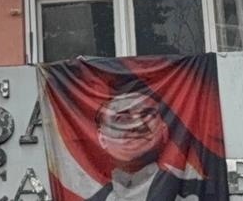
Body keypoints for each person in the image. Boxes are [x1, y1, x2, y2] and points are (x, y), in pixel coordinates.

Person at [83, 85, 219, 201]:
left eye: (146, 115)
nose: (138, 124)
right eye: (122, 118)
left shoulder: (200, 191)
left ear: (164, 130)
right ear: (102, 138)